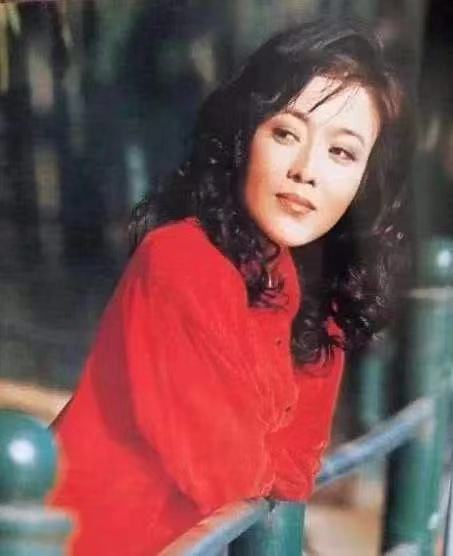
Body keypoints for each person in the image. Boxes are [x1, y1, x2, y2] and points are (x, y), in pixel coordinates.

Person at [48, 18, 414, 555]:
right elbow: (227, 472)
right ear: (245, 138)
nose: (305, 170)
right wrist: (262, 457)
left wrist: (263, 458)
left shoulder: (315, 297)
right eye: (286, 133)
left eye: (341, 152)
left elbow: (295, 470)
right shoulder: (180, 260)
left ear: (366, 180)